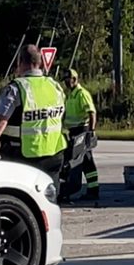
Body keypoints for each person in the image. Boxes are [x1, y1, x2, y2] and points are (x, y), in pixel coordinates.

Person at [0, 44, 67, 179]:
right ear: (40, 63)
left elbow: (0, 122)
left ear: (20, 62)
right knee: (49, 196)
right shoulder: (55, 86)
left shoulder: (15, 89)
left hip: (22, 157)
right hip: (54, 154)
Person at [59, 68, 99, 203]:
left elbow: (91, 112)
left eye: (68, 80)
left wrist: (91, 131)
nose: (66, 83)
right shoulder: (70, 94)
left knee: (85, 160)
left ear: (74, 79)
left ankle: (93, 190)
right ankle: (91, 190)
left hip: (82, 129)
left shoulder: (82, 94)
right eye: (64, 80)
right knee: (82, 160)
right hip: (73, 131)